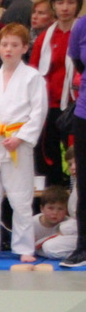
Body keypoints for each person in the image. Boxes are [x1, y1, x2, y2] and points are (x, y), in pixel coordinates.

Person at [0, 23, 47, 263]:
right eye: (4, 44)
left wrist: (21, 137)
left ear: (24, 48)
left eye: (14, 45)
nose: (8, 49)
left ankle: (24, 248)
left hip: (17, 145)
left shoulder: (33, 77)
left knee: (20, 198)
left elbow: (38, 112)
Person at [30, 0, 82, 187]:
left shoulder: (82, 33)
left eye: (70, 2)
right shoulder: (45, 38)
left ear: (78, 6)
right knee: (50, 157)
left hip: (77, 105)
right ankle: (55, 197)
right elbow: (33, 72)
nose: (65, 8)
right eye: (60, 2)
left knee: (75, 156)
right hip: (49, 105)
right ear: (54, 6)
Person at [63, 14, 86, 267]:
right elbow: (79, 63)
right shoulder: (82, 25)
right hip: (84, 114)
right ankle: (83, 246)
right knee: (84, 183)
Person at [33, 185, 74, 259]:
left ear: (66, 211)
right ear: (42, 208)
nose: (55, 213)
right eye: (51, 208)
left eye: (60, 209)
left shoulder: (69, 224)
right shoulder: (32, 224)